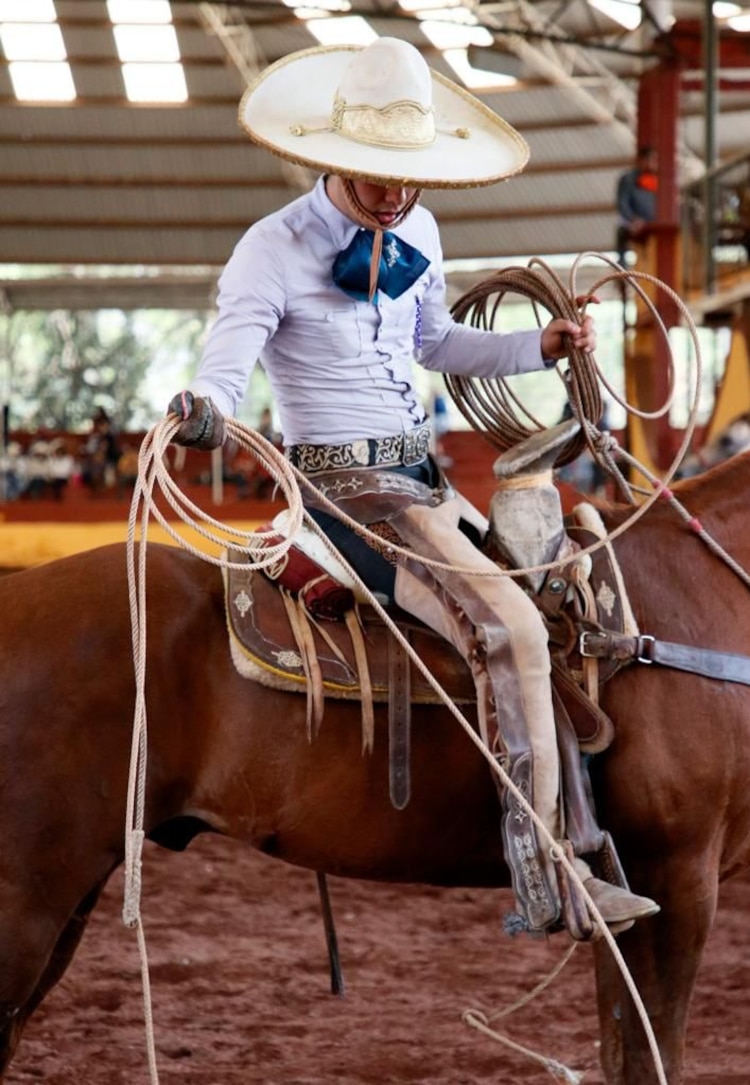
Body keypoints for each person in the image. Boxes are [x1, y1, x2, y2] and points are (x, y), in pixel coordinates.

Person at [167, 37, 658, 936]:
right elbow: (226, 364)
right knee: (505, 627)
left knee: (554, 606)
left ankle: (586, 835)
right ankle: (540, 869)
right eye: (372, 173)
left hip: (421, 474)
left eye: (406, 174)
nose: (393, 193)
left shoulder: (422, 232)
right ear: (331, 154)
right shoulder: (269, 250)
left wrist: (537, 348)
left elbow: (437, 345)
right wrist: (204, 405)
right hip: (339, 485)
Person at [615, 145, 658, 266]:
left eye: (654, 160)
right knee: (621, 233)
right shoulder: (628, 179)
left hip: (655, 223)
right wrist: (633, 219)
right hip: (634, 222)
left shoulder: (659, 179)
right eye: (649, 160)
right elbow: (622, 203)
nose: (652, 164)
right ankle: (622, 268)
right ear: (641, 160)